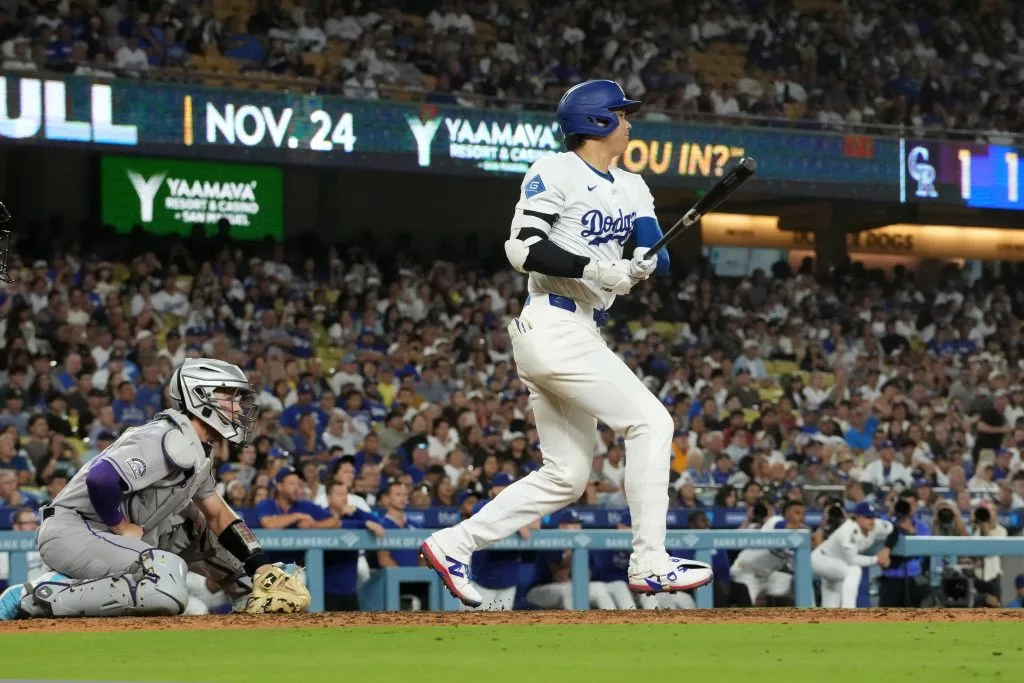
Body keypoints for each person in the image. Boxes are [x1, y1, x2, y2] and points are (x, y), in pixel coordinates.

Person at [421, 80, 713, 607]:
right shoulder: (554, 170)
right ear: (599, 122)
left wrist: (645, 263)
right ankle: (650, 560)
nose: (630, 123)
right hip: (552, 324)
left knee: (567, 476)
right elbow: (523, 249)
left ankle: (452, 544)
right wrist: (600, 267)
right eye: (623, 115)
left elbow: (655, 252)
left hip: (579, 328)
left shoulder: (633, 185)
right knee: (652, 422)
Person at [0, 358, 309, 620]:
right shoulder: (164, 436)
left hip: (111, 538)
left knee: (205, 531)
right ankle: (34, 597)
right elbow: (101, 479)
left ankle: (246, 594)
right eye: (231, 396)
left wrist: (259, 566)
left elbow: (219, 515)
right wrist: (119, 526)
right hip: (74, 530)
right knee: (166, 581)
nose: (239, 406)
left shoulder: (198, 449)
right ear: (201, 396)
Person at [811, 502, 892, 608]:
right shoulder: (848, 530)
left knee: (831, 604)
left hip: (836, 564)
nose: (871, 520)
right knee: (854, 570)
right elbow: (852, 560)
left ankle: (830, 622)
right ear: (857, 517)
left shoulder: (876, 525)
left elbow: (892, 529)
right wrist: (877, 559)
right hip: (821, 560)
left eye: (873, 516)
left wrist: (887, 549)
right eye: (867, 517)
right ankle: (849, 611)